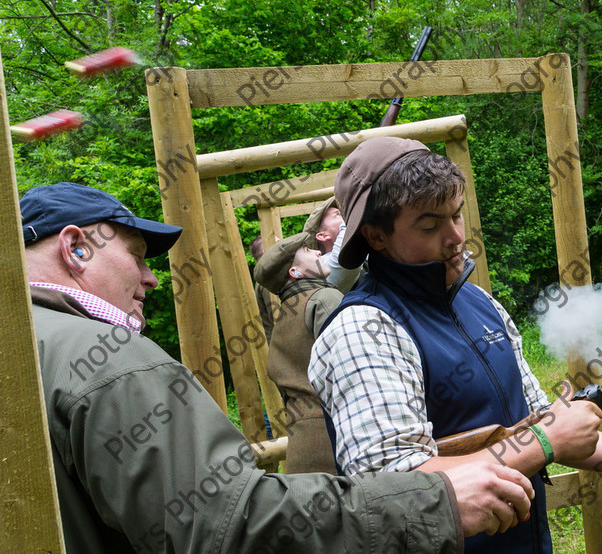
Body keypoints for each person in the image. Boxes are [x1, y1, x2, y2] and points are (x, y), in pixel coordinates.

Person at [22, 181, 537, 553]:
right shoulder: (113, 361)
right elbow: (227, 526)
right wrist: (434, 502)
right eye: (137, 256)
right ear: (75, 247)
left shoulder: (27, 352)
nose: (151, 278)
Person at [308, 138, 602, 553]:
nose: (456, 236)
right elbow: (393, 491)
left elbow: (546, 430)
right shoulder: (362, 329)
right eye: (430, 225)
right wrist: (547, 441)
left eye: (456, 215)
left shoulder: (482, 305)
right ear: (376, 237)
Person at [254, 231, 342, 473]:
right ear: (295, 272)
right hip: (336, 446)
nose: (317, 251)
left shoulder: (285, 316)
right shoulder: (323, 298)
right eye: (307, 250)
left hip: (302, 452)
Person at [302, 196, 363, 293]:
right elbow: (350, 228)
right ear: (323, 236)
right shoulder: (324, 266)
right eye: (338, 214)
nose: (345, 215)